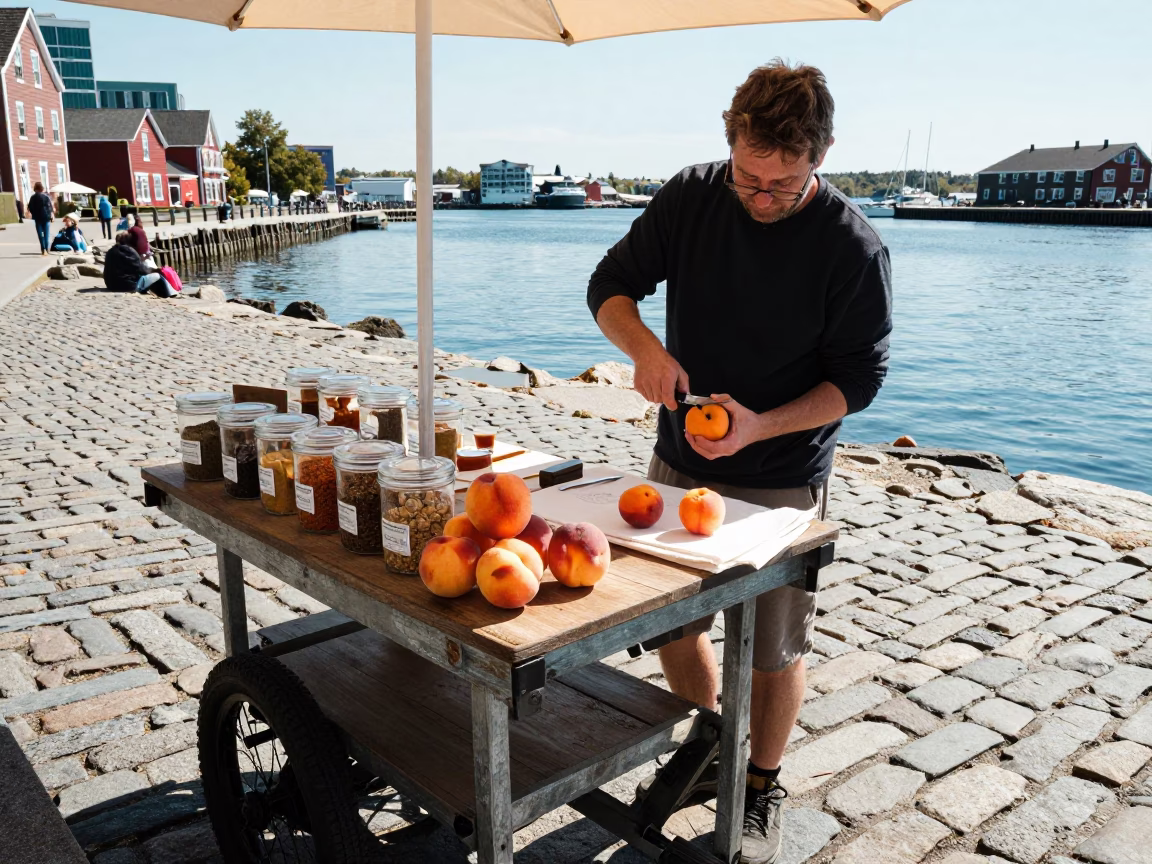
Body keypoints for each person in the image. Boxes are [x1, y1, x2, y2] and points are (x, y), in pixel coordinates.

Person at [586, 60, 892, 864]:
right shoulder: (693, 195)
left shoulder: (853, 247)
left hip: (785, 474)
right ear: (730, 143)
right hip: (679, 458)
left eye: (782, 184)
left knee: (772, 646)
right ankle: (710, 747)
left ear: (822, 155)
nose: (760, 197)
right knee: (672, 624)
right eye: (748, 177)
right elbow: (610, 286)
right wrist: (645, 350)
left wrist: (761, 428)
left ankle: (759, 784)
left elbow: (858, 380)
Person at [103, 232, 174, 296]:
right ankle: (171, 293)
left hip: (111, 286)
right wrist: (156, 270)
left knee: (146, 279)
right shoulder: (129, 251)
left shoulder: (110, 252)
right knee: (158, 276)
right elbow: (142, 270)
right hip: (127, 286)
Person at [27, 181, 54, 256]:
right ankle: (47, 249)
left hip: (37, 218)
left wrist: (33, 213)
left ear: (35, 189)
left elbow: (30, 207)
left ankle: (43, 249)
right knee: (46, 234)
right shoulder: (46, 197)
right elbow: (50, 207)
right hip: (46, 217)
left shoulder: (32, 197)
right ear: (42, 188)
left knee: (40, 234)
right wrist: (51, 215)